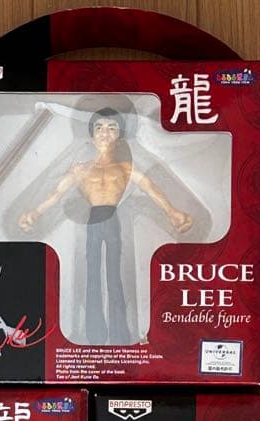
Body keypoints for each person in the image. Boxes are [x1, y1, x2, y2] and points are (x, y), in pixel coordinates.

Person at [18, 107, 193, 346]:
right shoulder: (81, 169)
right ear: (92, 135)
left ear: (119, 136)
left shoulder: (126, 168)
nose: (105, 132)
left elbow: (150, 188)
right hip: (92, 220)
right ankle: (95, 334)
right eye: (99, 127)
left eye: (112, 128)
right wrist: (36, 212)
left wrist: (172, 211)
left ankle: (121, 333)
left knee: (115, 275)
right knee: (91, 274)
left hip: (112, 219)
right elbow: (57, 193)